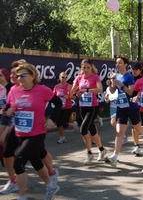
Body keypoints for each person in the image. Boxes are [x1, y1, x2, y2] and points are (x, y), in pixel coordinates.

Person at [5, 63, 61, 200]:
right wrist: (8, 112)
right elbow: (7, 107)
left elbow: (58, 102)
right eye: (18, 76)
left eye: (23, 75)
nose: (20, 78)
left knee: (18, 162)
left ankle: (22, 196)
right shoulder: (13, 90)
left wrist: (52, 119)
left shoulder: (42, 90)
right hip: (20, 132)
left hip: (37, 133)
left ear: (33, 76)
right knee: (36, 162)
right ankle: (50, 185)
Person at [105, 55, 143, 167]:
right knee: (119, 132)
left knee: (138, 129)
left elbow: (132, 92)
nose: (117, 65)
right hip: (121, 107)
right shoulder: (116, 76)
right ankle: (114, 156)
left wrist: (121, 86)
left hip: (132, 108)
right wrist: (111, 84)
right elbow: (112, 91)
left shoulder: (129, 77)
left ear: (126, 65)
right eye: (116, 63)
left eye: (120, 63)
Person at [69, 59, 107, 165]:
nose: (85, 70)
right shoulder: (78, 78)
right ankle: (102, 149)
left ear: (91, 68)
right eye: (83, 67)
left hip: (93, 107)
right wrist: (76, 94)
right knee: (93, 131)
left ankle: (89, 153)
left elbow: (100, 89)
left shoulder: (95, 77)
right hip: (83, 107)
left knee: (83, 129)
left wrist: (86, 90)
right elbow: (71, 94)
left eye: (88, 67)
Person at [53, 72, 78, 144]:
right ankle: (62, 137)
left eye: (66, 77)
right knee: (58, 122)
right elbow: (53, 96)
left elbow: (74, 97)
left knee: (64, 123)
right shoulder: (56, 87)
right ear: (59, 78)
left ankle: (73, 125)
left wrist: (69, 97)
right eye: (63, 77)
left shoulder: (69, 86)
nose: (64, 79)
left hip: (67, 107)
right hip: (59, 107)